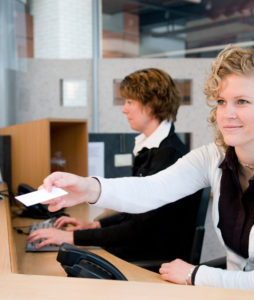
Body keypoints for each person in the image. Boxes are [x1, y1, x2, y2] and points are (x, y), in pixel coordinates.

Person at [32, 45, 254, 292]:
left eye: (242, 101)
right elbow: (152, 189)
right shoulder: (214, 157)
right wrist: (88, 188)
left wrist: (194, 274)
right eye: (221, 101)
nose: (227, 113)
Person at [27, 68, 202, 265]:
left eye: (129, 102)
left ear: (152, 104)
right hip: (140, 246)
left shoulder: (168, 154)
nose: (124, 109)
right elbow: (135, 211)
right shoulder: (152, 148)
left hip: (151, 257)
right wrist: (95, 224)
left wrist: (72, 238)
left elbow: (140, 229)